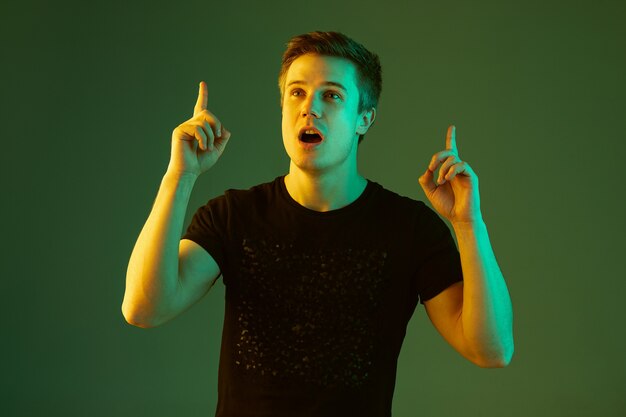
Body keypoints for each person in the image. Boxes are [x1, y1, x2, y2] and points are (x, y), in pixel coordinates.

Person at [122, 31, 514, 417]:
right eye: (297, 92)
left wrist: (468, 223)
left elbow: (492, 350)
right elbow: (143, 308)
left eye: (331, 95)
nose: (310, 108)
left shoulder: (409, 229)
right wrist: (180, 176)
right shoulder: (234, 216)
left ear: (364, 118)